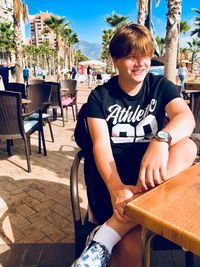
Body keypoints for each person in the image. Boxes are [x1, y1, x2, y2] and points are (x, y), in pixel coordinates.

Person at [72, 23, 197, 267]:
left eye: (146, 56)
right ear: (115, 60)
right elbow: (101, 147)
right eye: (131, 57)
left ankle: (103, 239)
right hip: (112, 183)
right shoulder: (100, 97)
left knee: (188, 147)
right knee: (130, 244)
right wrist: (117, 188)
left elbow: (186, 117)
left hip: (152, 181)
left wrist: (160, 141)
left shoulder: (160, 87)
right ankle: (110, 232)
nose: (140, 63)